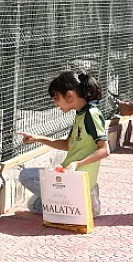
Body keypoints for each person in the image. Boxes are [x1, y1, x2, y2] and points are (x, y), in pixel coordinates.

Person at [16, 71, 110, 217]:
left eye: (56, 97)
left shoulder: (91, 114)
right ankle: (81, 203)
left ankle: (86, 200)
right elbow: (67, 145)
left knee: (25, 175)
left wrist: (77, 163)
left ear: (70, 95)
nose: (55, 103)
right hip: (70, 176)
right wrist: (37, 138)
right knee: (34, 204)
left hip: (76, 178)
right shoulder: (80, 114)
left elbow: (104, 150)